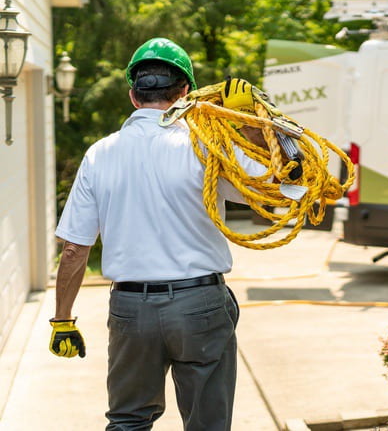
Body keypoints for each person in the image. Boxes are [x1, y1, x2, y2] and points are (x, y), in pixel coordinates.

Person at [49, 37, 265, 431]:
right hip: (200, 305)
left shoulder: (100, 154)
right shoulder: (207, 148)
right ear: (186, 92)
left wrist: (62, 320)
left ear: (133, 95)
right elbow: (272, 190)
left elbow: (74, 251)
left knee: (128, 421)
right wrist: (249, 126)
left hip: (132, 311)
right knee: (208, 424)